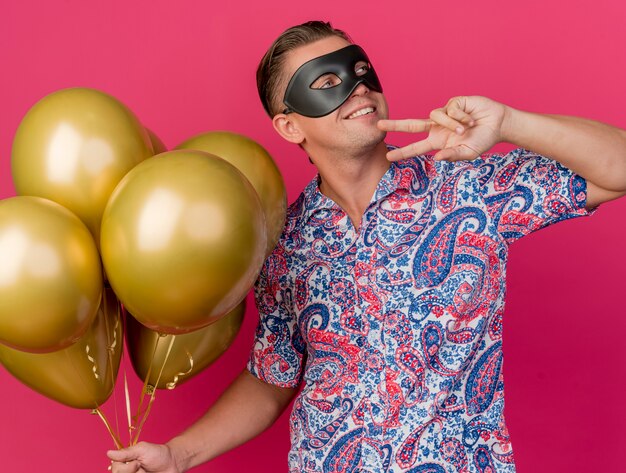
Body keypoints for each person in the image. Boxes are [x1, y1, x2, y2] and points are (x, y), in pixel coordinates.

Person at [108, 21, 626, 473]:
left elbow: (618, 168)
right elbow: (273, 379)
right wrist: (179, 455)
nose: (356, 88)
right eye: (327, 82)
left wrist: (510, 122)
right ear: (289, 125)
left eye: (360, 71)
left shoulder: (468, 187)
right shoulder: (284, 243)